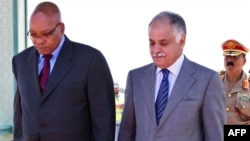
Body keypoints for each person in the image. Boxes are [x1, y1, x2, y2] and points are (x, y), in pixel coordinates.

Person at [12, 1, 115, 141]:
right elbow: (20, 114)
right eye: (33, 34)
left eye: (45, 34)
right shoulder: (20, 61)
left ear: (61, 28)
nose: (38, 41)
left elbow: (103, 123)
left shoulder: (91, 60)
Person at [118, 11, 226, 141]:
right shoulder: (135, 78)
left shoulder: (207, 80)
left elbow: (215, 136)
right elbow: (126, 133)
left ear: (181, 41)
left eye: (163, 43)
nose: (155, 50)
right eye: (152, 42)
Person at [220, 39, 250, 124]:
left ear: (244, 61)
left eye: (234, 57)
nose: (229, 60)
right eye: (227, 57)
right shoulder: (214, 82)